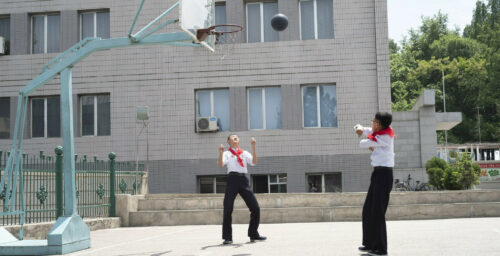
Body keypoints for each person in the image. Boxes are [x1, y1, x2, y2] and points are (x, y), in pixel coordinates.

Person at [354, 112, 395, 256]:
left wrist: (366, 137)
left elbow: (362, 143)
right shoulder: (379, 132)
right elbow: (361, 128)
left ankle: (381, 249)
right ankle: (370, 244)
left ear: (379, 124)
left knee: (377, 211)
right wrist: (359, 128)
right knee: (368, 209)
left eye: (373, 121)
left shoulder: (385, 137)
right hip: (378, 174)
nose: (371, 123)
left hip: (384, 175)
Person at [218, 135, 267, 245]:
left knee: (255, 208)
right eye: (233, 138)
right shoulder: (227, 153)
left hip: (243, 179)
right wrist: (220, 153)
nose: (236, 139)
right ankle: (227, 237)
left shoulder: (244, 153)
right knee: (228, 209)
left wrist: (253, 147)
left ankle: (253, 234)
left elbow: (254, 162)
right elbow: (220, 165)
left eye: (237, 138)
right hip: (232, 179)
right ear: (228, 141)